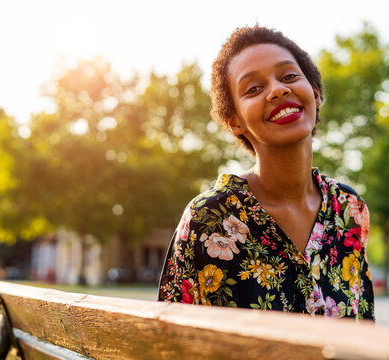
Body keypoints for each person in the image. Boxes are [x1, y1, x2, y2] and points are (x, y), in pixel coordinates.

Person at [158, 25, 374, 320]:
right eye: (253, 89)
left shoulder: (349, 209)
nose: (278, 90)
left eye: (288, 77)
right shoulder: (208, 218)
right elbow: (170, 340)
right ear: (234, 121)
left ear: (315, 92)